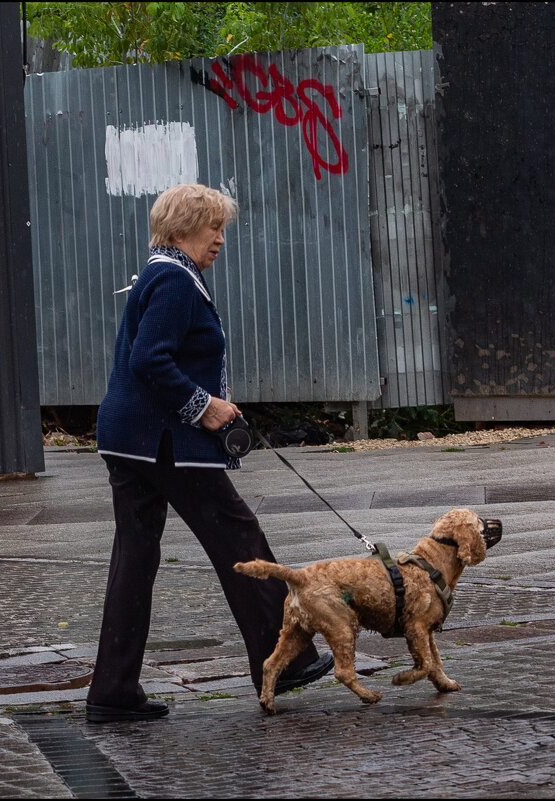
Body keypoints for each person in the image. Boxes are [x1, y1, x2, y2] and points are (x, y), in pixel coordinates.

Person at [86, 183, 333, 722]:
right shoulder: (174, 279)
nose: (221, 239)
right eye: (213, 227)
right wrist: (206, 407)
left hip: (129, 440)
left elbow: (152, 359)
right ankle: (282, 660)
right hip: (164, 442)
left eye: (222, 228)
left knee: (134, 558)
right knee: (239, 537)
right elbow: (152, 360)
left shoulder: (158, 272)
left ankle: (112, 692)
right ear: (181, 229)